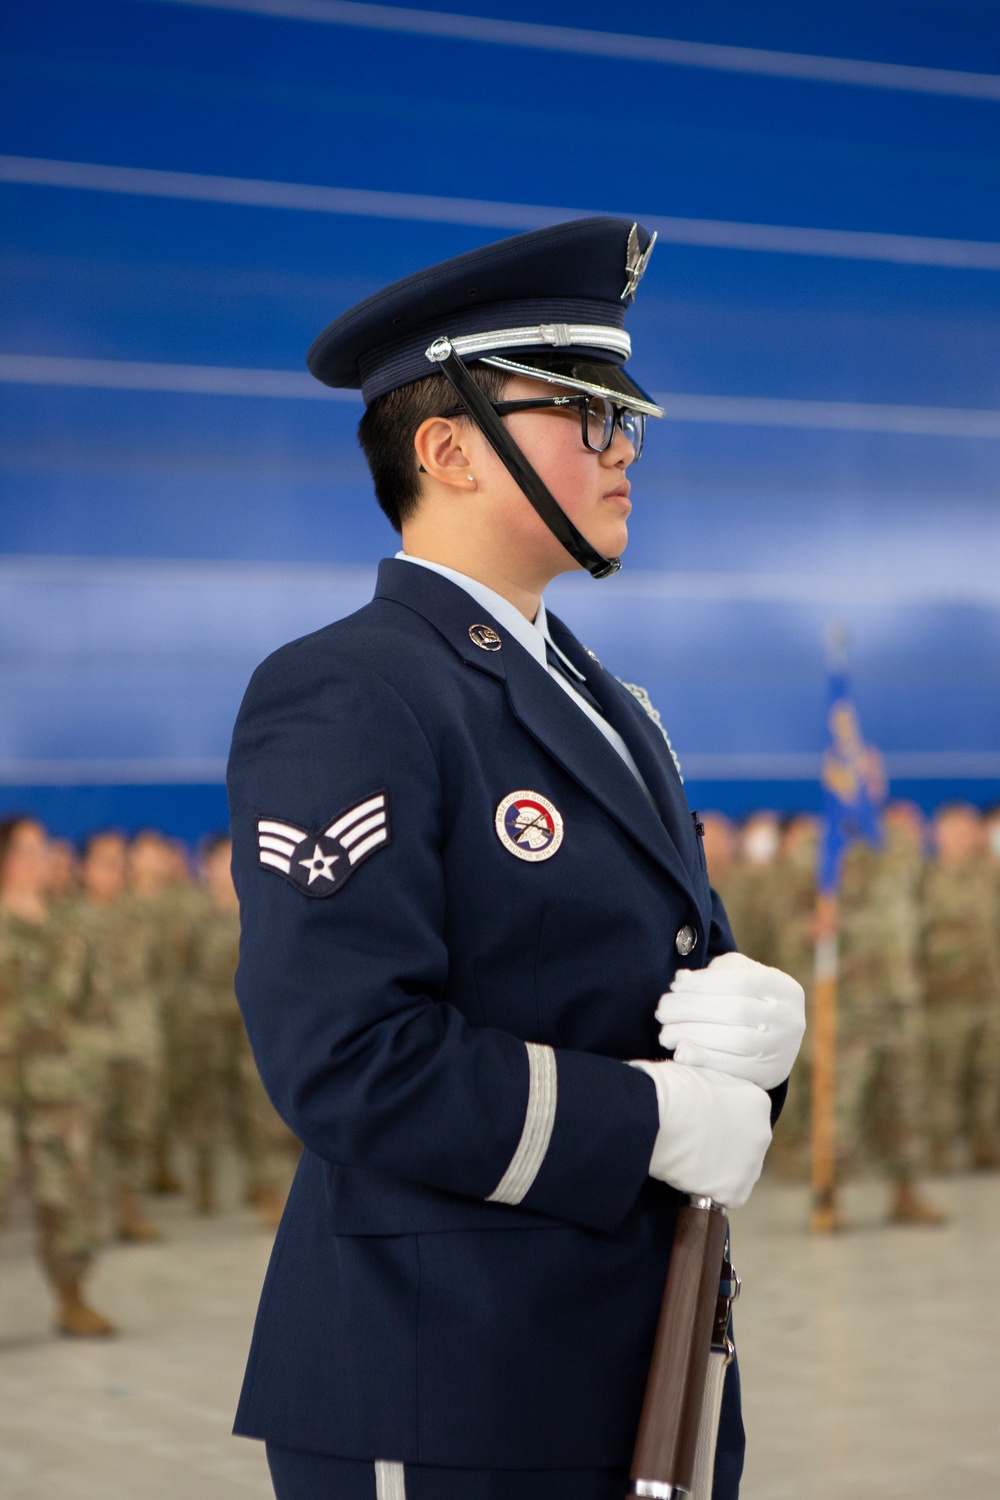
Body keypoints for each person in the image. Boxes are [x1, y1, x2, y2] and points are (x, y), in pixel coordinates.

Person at [228, 218, 805, 1500]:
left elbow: (640, 979)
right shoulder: (347, 689)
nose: (624, 453)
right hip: (445, 1378)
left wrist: (745, 1042)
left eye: (628, 422)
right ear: (447, 449)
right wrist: (653, 1115)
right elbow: (346, 1058)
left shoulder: (608, 701)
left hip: (626, 1362)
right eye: (586, 416)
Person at [0, 816, 113, 1336]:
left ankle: (72, 1298)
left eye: (43, 849)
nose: (43, 858)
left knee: (66, 1190)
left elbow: (91, 1001)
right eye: (31, 849)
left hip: (59, 1085)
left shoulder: (69, 925)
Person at [182, 834, 299, 1224]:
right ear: (206, 865)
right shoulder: (192, 912)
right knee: (205, 1105)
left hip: (249, 1024)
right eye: (218, 860)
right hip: (201, 1024)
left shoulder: (257, 906)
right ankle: (203, 1179)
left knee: (258, 1106)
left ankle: (266, 1188)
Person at [72, 831, 163, 1241]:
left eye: (120, 862)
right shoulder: (67, 919)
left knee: (136, 1132)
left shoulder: (139, 915)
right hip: (89, 1048)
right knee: (83, 1142)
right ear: (84, 867)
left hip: (137, 1042)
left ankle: (129, 1213)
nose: (116, 871)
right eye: (106, 862)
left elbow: (158, 971)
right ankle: (85, 1222)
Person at [920, 804, 1000, 1171]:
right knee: (942, 1078)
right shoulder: (924, 879)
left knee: (989, 1076)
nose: (962, 837)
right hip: (943, 996)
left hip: (988, 995)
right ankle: (938, 1150)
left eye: (968, 829)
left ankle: (987, 1144)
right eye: (953, 829)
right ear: (937, 834)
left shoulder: (989, 876)